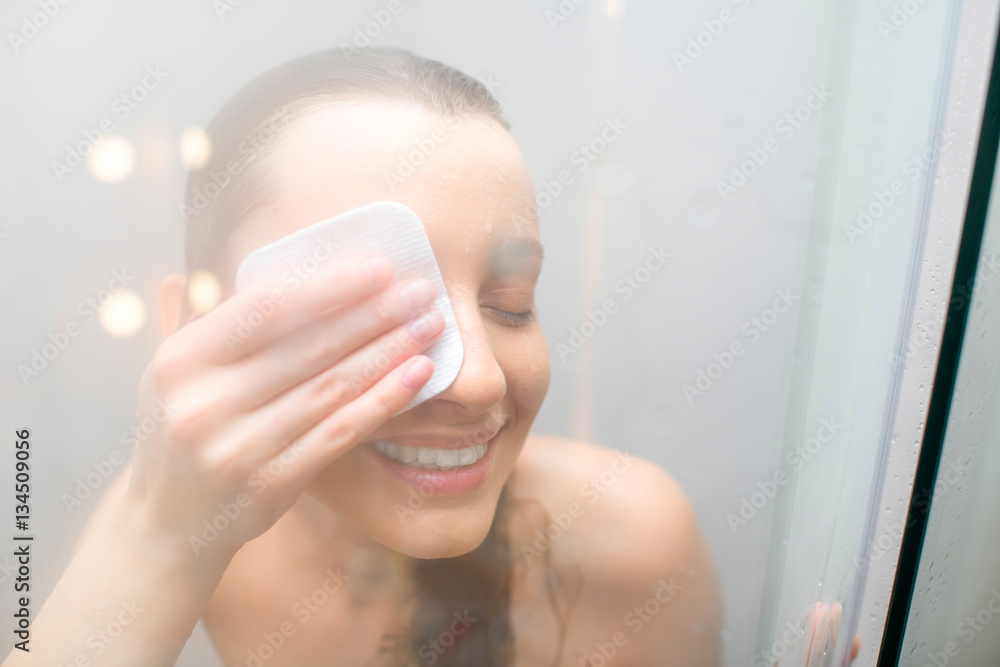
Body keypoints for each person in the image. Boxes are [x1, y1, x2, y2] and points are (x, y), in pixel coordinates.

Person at [3, 48, 721, 666]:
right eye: (366, 315)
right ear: (190, 329)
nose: (478, 379)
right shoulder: (189, 528)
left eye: (511, 302)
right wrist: (157, 543)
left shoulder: (630, 540)